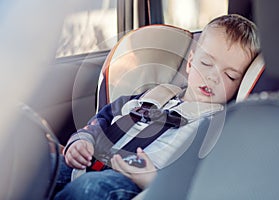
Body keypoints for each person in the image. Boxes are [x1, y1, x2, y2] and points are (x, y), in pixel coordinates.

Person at [53, 14, 260, 200]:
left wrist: (154, 181)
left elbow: (201, 182)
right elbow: (104, 117)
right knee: (38, 165)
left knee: (87, 189)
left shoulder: (217, 127)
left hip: (132, 186)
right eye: (206, 63)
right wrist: (83, 140)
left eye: (230, 76)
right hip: (87, 163)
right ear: (190, 62)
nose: (213, 77)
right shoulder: (153, 95)